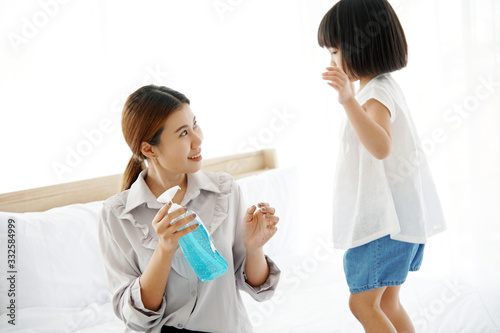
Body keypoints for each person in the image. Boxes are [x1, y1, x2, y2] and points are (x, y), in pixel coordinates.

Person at [97, 85, 281, 333]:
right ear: (149, 149)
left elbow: (259, 290)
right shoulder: (117, 215)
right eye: (183, 133)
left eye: (195, 125)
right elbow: (135, 318)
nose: (198, 139)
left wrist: (254, 247)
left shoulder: (225, 191)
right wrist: (164, 249)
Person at [318, 0, 446, 332]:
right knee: (387, 302)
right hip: (399, 218)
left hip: (386, 222)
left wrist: (347, 100)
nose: (331, 61)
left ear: (363, 46)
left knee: (362, 303)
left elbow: (380, 146)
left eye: (334, 51)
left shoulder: (375, 94)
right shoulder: (381, 88)